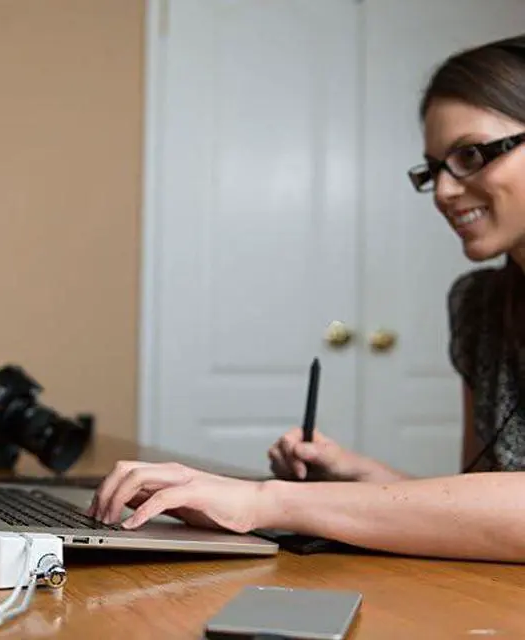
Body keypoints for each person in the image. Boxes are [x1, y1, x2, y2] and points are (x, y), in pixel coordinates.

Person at [88, 35, 525, 563]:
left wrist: (267, 501)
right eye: (433, 170)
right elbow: (486, 505)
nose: (444, 191)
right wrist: (359, 479)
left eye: (470, 155)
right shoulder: (478, 305)